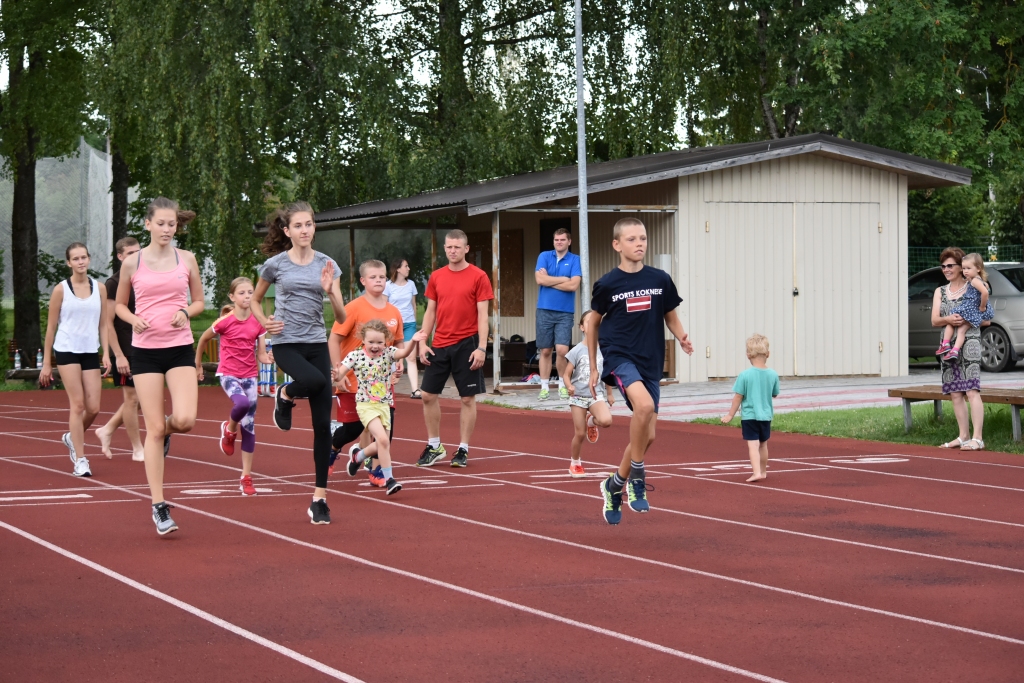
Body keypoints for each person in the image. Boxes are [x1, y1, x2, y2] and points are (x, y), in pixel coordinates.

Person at [588, 217, 693, 525]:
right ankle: (637, 476)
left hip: (650, 360)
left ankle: (613, 485)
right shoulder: (608, 283)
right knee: (643, 407)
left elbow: (670, 314)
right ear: (617, 245)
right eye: (632, 239)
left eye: (643, 238)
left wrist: (682, 336)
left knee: (648, 436)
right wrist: (594, 366)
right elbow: (593, 322)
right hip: (620, 356)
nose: (639, 244)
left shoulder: (660, 278)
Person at [251, 201, 346, 525]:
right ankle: (286, 394)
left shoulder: (327, 264)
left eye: (310, 224)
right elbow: (254, 298)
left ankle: (319, 498)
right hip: (287, 343)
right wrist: (265, 321)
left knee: (322, 427)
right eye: (299, 225)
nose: (305, 230)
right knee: (318, 382)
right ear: (288, 230)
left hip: (317, 343)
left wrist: (330, 291)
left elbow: (342, 316)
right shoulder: (275, 265)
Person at [115, 200, 204, 536]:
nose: (168, 230)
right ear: (148, 224)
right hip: (146, 354)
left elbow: (199, 301)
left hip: (179, 348)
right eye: (162, 224)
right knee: (152, 429)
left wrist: (187, 312)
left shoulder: (187, 259)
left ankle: (164, 430)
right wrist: (134, 318)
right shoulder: (133, 263)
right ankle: (159, 505)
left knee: (184, 421)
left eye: (172, 224)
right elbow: (120, 306)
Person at [412, 229, 494, 468]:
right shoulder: (437, 276)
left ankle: (463, 449)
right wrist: (422, 342)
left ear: (466, 249)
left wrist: (481, 348)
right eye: (449, 247)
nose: (452, 251)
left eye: (457, 247)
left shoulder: (479, 276)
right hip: (439, 344)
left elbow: (483, 316)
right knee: (427, 395)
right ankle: (435, 445)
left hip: (467, 344)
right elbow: (430, 311)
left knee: (467, 398)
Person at [327, 259, 404, 486]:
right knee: (353, 429)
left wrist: (399, 363)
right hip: (354, 380)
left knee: (386, 433)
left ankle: (378, 471)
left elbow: (398, 342)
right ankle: (332, 449)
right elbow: (334, 338)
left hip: (381, 384)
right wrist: (338, 371)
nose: (378, 281)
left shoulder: (393, 312)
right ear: (363, 280)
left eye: (382, 277)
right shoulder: (353, 308)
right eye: (373, 277)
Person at [195, 278, 271, 496]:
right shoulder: (224, 321)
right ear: (232, 297)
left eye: (250, 292)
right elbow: (202, 340)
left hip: (250, 376)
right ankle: (229, 430)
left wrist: (267, 358)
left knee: (250, 425)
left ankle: (246, 477)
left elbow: (262, 354)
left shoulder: (258, 323)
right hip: (228, 373)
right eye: (242, 293)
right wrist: (198, 366)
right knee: (241, 404)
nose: (247, 296)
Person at [39, 243, 111, 478]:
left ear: (89, 260)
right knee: (78, 405)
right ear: (68, 263)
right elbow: (51, 327)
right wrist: (47, 362)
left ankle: (72, 436)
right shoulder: (61, 290)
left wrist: (107, 353)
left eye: (84, 257)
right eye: (75, 259)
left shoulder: (99, 288)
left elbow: (103, 324)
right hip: (67, 350)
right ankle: (80, 459)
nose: (81, 262)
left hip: (90, 350)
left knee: (94, 408)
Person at [333, 319, 417, 495]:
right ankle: (390, 480)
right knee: (384, 440)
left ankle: (358, 456)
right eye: (371, 342)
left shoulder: (388, 353)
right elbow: (340, 372)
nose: (375, 346)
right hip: (366, 406)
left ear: (385, 341)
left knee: (381, 445)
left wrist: (414, 341)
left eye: (380, 342)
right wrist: (336, 375)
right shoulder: (355, 356)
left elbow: (404, 352)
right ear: (363, 340)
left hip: (384, 405)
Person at [95, 237, 144, 462]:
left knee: (143, 398)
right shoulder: (113, 283)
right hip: (126, 349)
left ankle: (107, 429)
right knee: (133, 399)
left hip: (148, 346)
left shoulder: (145, 278)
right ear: (120, 257)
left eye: (138, 252)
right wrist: (118, 355)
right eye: (131, 253)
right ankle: (137, 449)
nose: (136, 256)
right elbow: (107, 323)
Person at [932, 248, 986, 451]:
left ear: (961, 267)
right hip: (947, 344)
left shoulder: (973, 287)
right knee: (955, 393)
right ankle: (963, 436)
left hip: (969, 340)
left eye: (951, 265)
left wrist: (966, 319)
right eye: (943, 266)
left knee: (971, 389)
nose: (946, 269)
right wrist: (948, 319)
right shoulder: (940, 291)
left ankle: (978, 438)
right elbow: (935, 320)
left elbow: (987, 317)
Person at [561, 311, 614, 478]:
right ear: (582, 327)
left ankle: (592, 421)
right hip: (578, 397)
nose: (593, 324)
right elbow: (566, 374)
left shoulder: (605, 349)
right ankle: (575, 463)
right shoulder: (577, 350)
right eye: (588, 322)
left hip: (595, 394)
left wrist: (610, 394)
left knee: (606, 421)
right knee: (580, 433)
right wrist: (569, 386)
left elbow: (607, 374)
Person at [720, 334, 780, 483]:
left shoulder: (744, 375)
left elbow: (738, 397)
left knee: (753, 445)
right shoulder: (773, 374)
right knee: (763, 443)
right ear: (768, 354)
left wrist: (730, 415)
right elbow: (774, 394)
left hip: (750, 415)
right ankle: (763, 471)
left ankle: (756, 472)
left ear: (748, 355)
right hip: (766, 416)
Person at [534, 227, 582, 400]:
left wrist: (549, 281)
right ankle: (545, 387)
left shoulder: (575, 259)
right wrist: (563, 279)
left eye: (562, 240)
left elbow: (573, 285)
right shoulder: (544, 256)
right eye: (556, 240)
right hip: (544, 309)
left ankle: (563, 384)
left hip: (565, 312)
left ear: (569, 241)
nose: (559, 242)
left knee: (562, 350)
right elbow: (539, 279)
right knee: (546, 350)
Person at [936, 252, 994, 360]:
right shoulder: (978, 281)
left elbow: (985, 293)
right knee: (961, 330)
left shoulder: (975, 281)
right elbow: (986, 290)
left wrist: (982, 306)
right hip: (974, 313)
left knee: (953, 316)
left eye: (968, 268)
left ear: (978, 268)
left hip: (970, 309)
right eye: (964, 268)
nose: (965, 271)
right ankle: (955, 351)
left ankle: (945, 344)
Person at [384, 257, 421, 398]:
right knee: (390, 356)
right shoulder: (388, 286)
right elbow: (384, 305)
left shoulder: (411, 284)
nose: (408, 268)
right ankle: (387, 386)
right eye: (406, 266)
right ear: (398, 268)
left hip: (409, 324)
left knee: (411, 357)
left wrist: (415, 322)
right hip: (392, 325)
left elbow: (414, 305)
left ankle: (415, 390)